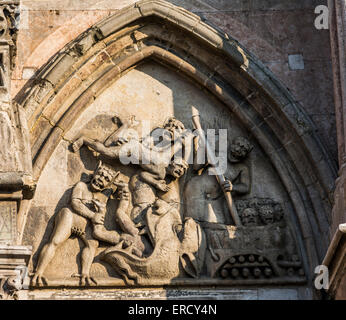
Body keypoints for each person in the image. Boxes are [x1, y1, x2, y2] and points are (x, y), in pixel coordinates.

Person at [31, 162, 131, 286]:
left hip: (86, 224)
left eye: (106, 179)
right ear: (94, 174)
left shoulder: (105, 195)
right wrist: (93, 215)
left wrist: (124, 190)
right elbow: (75, 204)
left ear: (109, 184)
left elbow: (122, 201)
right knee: (55, 240)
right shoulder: (81, 186)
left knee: (92, 245)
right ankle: (39, 271)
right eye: (100, 174)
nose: (101, 179)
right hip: (70, 216)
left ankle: (84, 274)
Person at [184, 136, 253, 224]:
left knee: (218, 224)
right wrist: (203, 150)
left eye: (244, 149)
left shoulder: (242, 168)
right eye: (238, 145)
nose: (239, 149)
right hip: (197, 190)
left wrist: (233, 187)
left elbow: (246, 187)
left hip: (216, 198)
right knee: (193, 222)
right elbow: (196, 167)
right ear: (232, 144)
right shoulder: (216, 154)